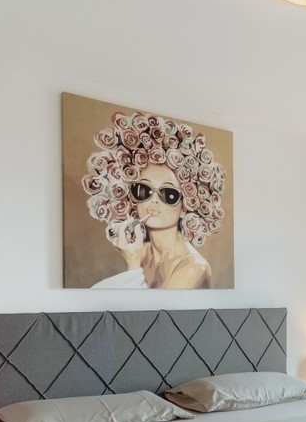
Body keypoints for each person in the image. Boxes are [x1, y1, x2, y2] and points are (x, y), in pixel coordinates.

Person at [83, 111, 226, 289]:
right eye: (143, 190)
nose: (153, 200)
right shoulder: (138, 252)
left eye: (168, 194)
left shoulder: (194, 268)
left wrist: (133, 266)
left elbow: (151, 314)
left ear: (186, 205)